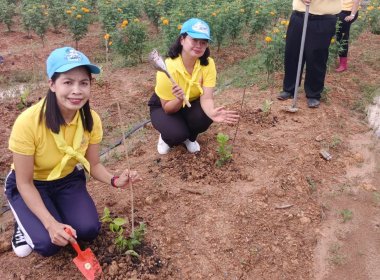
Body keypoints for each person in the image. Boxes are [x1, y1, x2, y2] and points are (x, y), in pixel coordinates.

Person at [5, 47, 142, 258]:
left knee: (87, 230)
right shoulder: (28, 123)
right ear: (52, 84)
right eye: (68, 82)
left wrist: (115, 180)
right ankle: (22, 223)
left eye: (83, 83)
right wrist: (50, 224)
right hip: (31, 183)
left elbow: (93, 165)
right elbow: (24, 182)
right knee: (48, 244)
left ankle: (48, 211)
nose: (77, 90)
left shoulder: (91, 119)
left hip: (66, 180)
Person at [148, 18, 239, 154]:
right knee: (176, 134)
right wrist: (178, 98)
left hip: (190, 101)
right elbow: (167, 108)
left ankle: (190, 138)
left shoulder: (208, 64)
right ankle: (166, 137)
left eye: (203, 42)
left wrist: (211, 112)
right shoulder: (168, 67)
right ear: (182, 40)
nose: (198, 45)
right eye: (194, 40)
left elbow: (207, 98)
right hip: (165, 105)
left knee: (204, 118)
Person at [277, 0, 342, 108]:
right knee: (292, 53)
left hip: (323, 18)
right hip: (299, 16)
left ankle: (313, 93)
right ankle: (289, 88)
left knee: (316, 56)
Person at [335, 0, 360, 72]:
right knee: (337, 35)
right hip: (339, 10)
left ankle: (343, 64)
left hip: (347, 12)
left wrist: (352, 15)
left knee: (342, 36)